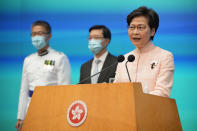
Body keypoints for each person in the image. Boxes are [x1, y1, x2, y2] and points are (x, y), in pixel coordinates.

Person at [15, 20, 71, 131]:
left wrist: (61, 115)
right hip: (30, 109)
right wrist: (20, 117)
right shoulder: (28, 60)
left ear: (49, 36)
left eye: (40, 33)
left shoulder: (59, 57)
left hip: (51, 108)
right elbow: (24, 90)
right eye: (33, 34)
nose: (36, 37)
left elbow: (64, 89)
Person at [114, 6, 174, 97]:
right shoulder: (124, 59)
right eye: (132, 27)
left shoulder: (164, 56)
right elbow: (116, 89)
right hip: (124, 110)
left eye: (140, 27)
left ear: (152, 31)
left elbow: (162, 92)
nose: (135, 32)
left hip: (152, 110)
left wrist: (136, 99)